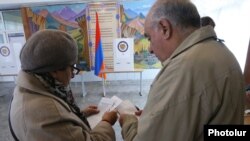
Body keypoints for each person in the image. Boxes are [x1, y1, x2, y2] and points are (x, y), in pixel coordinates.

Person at [119, 0, 245, 141]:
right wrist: (156, 116)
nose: (150, 49)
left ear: (164, 28)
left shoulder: (182, 70)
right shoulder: (221, 50)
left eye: (149, 38)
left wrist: (128, 122)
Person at [9, 29, 118, 141]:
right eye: (71, 68)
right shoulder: (49, 113)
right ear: (54, 71)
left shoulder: (26, 87)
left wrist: (79, 115)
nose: (72, 75)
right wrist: (106, 122)